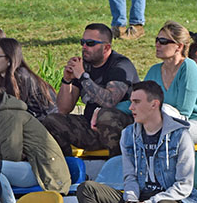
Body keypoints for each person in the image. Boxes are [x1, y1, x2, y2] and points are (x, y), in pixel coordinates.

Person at [76, 81, 197, 203]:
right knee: (86, 189)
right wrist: (131, 200)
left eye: (136, 102)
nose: (131, 108)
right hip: (140, 199)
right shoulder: (128, 134)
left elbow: (184, 185)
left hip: (173, 200)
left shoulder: (180, 135)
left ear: (154, 104)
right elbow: (130, 177)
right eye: (131, 102)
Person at [41, 23, 139, 157]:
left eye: (90, 43)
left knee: (105, 116)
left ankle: (116, 167)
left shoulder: (121, 65)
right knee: (52, 121)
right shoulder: (84, 66)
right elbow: (64, 109)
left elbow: (109, 101)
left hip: (120, 128)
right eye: (83, 42)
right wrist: (67, 80)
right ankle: (69, 168)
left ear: (106, 48)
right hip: (91, 127)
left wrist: (82, 77)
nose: (84, 47)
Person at [144, 21, 197, 144]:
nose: (157, 45)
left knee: (164, 131)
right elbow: (141, 102)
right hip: (168, 125)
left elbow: (183, 113)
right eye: (156, 40)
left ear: (179, 47)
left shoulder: (189, 67)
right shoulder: (154, 71)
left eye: (163, 41)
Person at [0, 38, 57, 120]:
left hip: (46, 123)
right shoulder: (2, 76)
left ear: (9, 59)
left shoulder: (21, 76)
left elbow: (16, 110)